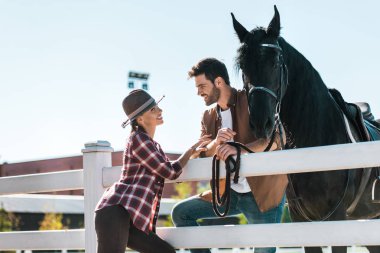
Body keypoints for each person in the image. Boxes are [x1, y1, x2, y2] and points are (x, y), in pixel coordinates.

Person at [171, 58, 288, 253]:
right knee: (181, 213)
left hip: (262, 193)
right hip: (227, 193)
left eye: (201, 86)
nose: (198, 92)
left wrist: (240, 148)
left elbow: (278, 137)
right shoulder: (208, 116)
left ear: (218, 82)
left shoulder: (251, 100)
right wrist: (216, 142)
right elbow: (202, 152)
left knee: (263, 251)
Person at [95, 89, 210, 253]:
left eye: (157, 107)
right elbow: (169, 171)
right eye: (153, 109)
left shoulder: (153, 145)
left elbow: (168, 169)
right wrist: (190, 151)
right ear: (140, 119)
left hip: (129, 217)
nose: (160, 111)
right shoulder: (138, 139)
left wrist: (189, 157)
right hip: (115, 212)